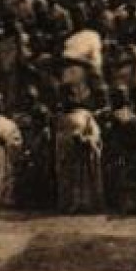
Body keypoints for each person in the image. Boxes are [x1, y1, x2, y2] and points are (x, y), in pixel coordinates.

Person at [54, 84, 104, 213]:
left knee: (82, 178)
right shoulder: (59, 116)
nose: (68, 99)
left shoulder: (85, 114)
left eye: (71, 95)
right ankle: (68, 204)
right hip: (66, 154)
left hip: (82, 153)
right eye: (64, 96)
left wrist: (86, 139)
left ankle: (84, 204)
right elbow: (57, 135)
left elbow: (96, 133)